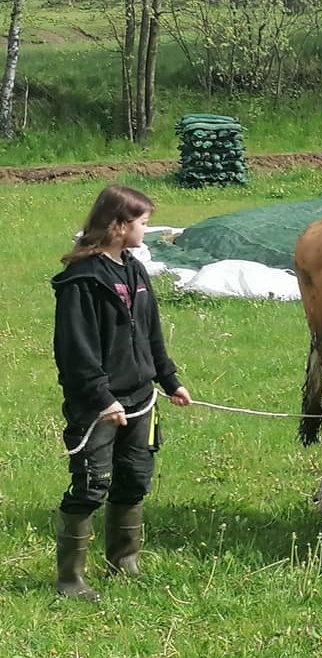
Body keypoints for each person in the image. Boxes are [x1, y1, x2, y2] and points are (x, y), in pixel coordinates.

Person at [51, 185, 192, 601]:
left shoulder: (134, 270)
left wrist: (169, 379)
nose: (146, 231)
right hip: (98, 407)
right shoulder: (82, 281)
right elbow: (75, 352)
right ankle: (70, 580)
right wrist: (102, 398)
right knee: (91, 485)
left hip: (140, 399)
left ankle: (124, 560)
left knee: (134, 480)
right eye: (142, 223)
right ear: (118, 225)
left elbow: (151, 334)